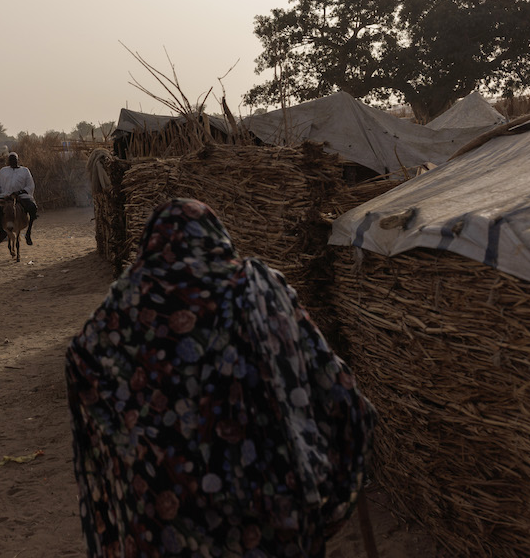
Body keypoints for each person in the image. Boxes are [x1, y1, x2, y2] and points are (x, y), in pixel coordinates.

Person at [65, 199, 376, 558]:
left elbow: (80, 359)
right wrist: (335, 484)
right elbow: (339, 393)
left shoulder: (122, 309)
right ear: (215, 237)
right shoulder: (255, 290)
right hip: (262, 515)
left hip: (161, 527)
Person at [0, 151, 38, 246]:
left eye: (14, 160)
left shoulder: (25, 171)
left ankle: (28, 233)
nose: (12, 162)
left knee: (33, 207)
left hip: (21, 197)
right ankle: (2, 232)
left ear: (18, 160)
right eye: (10, 160)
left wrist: (19, 192)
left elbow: (30, 186)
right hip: (5, 197)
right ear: (8, 161)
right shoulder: (3, 171)